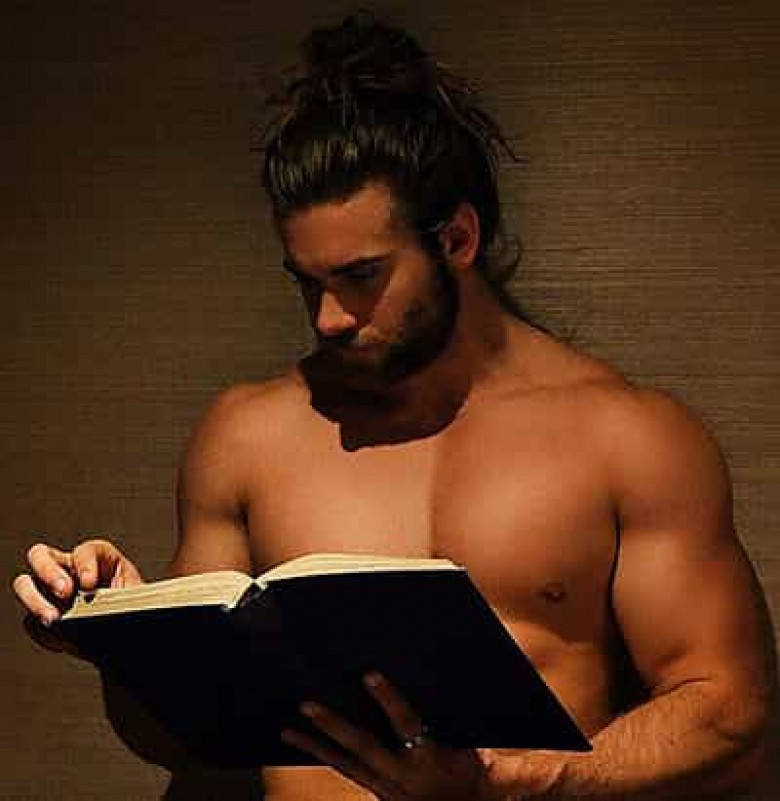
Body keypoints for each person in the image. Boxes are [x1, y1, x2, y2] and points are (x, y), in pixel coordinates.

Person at [13, 11, 776, 801]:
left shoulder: (624, 437)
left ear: (457, 240)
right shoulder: (248, 435)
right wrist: (120, 639)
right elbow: (185, 738)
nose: (328, 319)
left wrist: (510, 782)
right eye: (308, 282)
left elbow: (730, 716)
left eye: (360, 277)